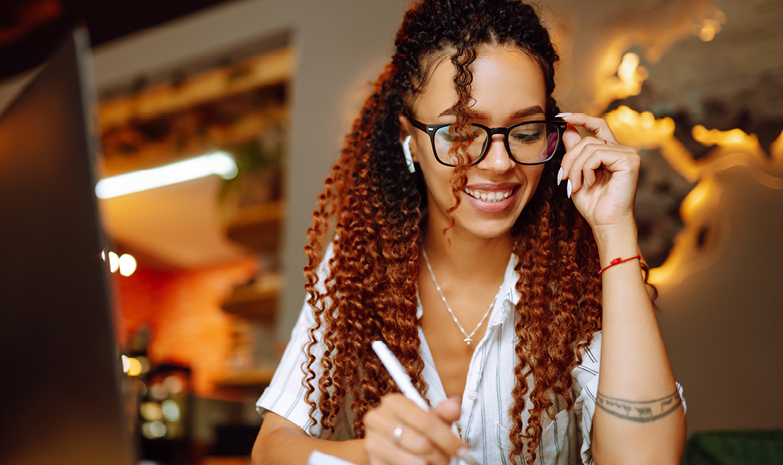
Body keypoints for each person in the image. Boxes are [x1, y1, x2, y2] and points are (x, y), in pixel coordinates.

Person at [251, 0, 686, 464]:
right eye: (461, 132)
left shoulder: (574, 275)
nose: (499, 163)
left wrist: (614, 230)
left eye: (524, 131)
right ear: (410, 140)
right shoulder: (359, 263)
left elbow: (648, 460)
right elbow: (271, 449)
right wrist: (369, 456)